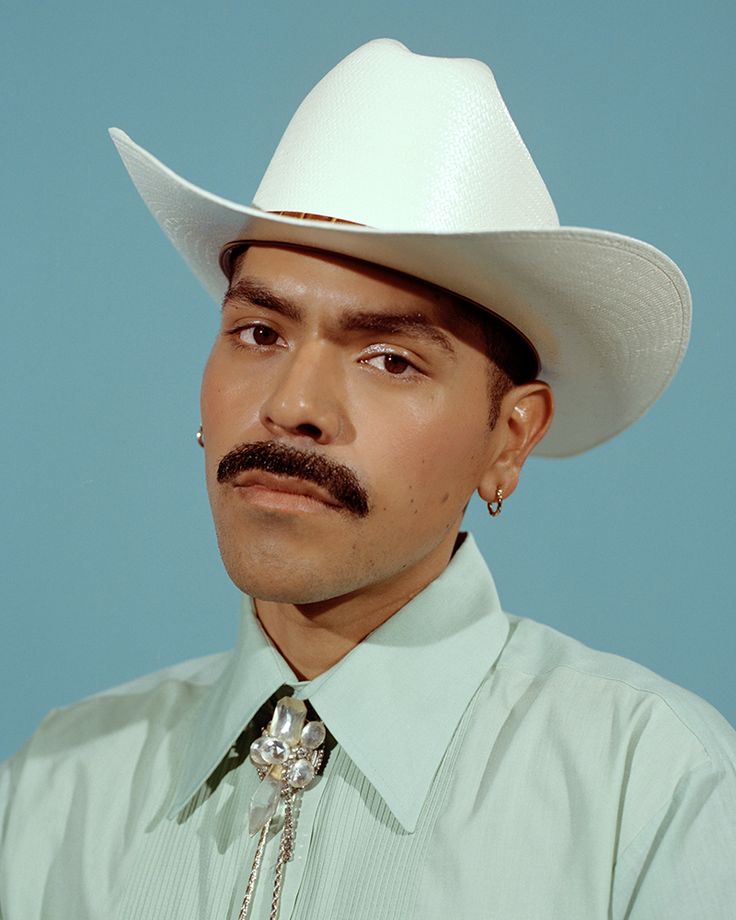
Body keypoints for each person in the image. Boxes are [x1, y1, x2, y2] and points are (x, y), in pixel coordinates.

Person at [1, 38, 734, 920]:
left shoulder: (650, 789)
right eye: (260, 334)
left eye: (389, 359)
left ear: (511, 436)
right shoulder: (54, 788)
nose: (292, 405)